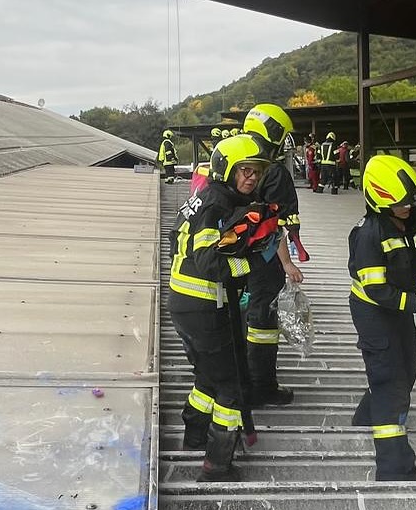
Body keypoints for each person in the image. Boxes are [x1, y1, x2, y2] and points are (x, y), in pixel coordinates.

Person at [168, 134, 273, 482]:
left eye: (257, 172)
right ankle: (217, 467)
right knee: (231, 387)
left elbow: (176, 241)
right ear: (226, 168)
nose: (252, 178)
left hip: (186, 303)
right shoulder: (217, 204)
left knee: (207, 377)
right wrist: (252, 264)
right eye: (245, 170)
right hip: (203, 306)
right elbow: (209, 263)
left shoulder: (205, 196)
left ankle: (195, 437)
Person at [348, 154, 416, 481]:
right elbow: (376, 289)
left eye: (410, 201)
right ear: (380, 201)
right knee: (389, 382)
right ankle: (395, 468)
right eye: (400, 203)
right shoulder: (368, 234)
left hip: (401, 307)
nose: (408, 207)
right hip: (373, 310)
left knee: (406, 372)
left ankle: (365, 418)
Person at [242, 103, 306, 407]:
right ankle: (262, 387)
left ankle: (244, 378)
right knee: (263, 325)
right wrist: (287, 262)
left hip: (235, 256)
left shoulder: (238, 162)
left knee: (243, 317)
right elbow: (274, 224)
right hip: (264, 259)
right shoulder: (274, 172)